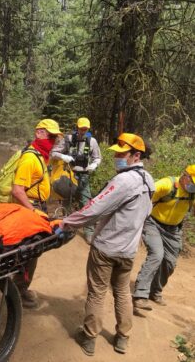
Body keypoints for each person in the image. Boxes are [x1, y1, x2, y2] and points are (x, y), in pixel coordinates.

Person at [60, 133, 154, 356]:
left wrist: (67, 222)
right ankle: (122, 338)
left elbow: (94, 209)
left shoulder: (123, 180)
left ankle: (89, 338)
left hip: (106, 249)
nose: (117, 157)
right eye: (116, 153)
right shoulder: (149, 179)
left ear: (135, 155)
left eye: (122, 153)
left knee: (97, 293)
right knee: (122, 292)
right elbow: (147, 211)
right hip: (129, 250)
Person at [11, 118, 62, 309]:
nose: (53, 141)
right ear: (39, 133)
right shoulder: (31, 158)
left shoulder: (41, 155)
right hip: (29, 210)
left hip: (36, 208)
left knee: (32, 252)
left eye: (54, 138)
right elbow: (17, 190)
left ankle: (19, 288)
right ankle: (17, 291)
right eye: (51, 136)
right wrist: (33, 212)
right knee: (29, 252)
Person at [132, 164, 195, 313]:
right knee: (157, 255)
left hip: (173, 229)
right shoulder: (167, 184)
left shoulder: (192, 194)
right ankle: (140, 295)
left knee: (170, 262)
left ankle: (155, 291)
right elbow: (144, 196)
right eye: (192, 182)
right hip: (153, 223)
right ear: (185, 175)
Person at [51, 117, 102, 244]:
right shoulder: (68, 139)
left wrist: (94, 165)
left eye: (85, 128)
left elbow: (97, 158)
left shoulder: (92, 141)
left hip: (84, 175)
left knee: (86, 203)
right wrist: (63, 156)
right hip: (69, 174)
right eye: (81, 128)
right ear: (77, 127)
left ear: (88, 128)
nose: (83, 131)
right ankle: (65, 226)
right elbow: (53, 152)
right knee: (66, 200)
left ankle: (89, 232)